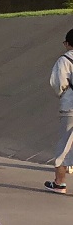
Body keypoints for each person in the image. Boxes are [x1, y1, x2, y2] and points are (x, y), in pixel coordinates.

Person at [44, 28, 73, 193]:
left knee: (65, 144)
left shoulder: (65, 60)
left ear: (67, 43)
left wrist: (63, 94)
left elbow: (58, 83)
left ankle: (59, 183)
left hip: (70, 108)